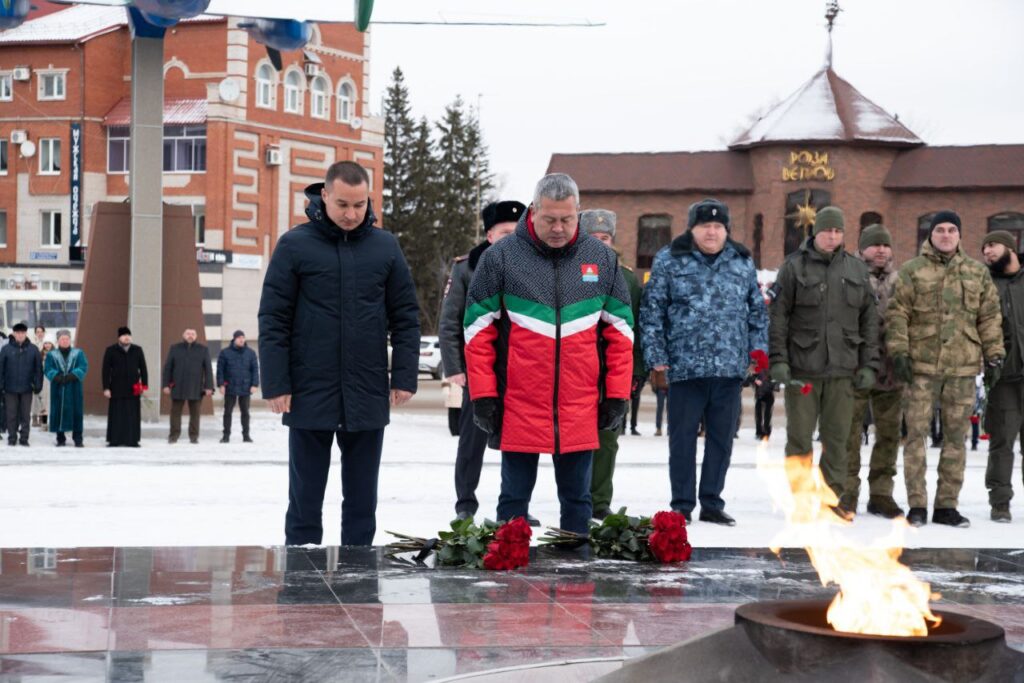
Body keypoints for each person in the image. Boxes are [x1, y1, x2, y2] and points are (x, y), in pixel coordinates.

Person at [259, 160, 420, 546]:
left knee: (362, 502)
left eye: (359, 205)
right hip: (309, 390)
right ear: (324, 196)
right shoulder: (294, 245)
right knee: (304, 500)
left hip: (366, 390)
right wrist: (276, 383)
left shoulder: (385, 246)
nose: (351, 214)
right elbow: (274, 318)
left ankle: (359, 572)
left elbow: (405, 317)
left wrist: (403, 376)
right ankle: (301, 572)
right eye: (343, 204)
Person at [463, 173, 633, 535]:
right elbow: (477, 330)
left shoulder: (601, 259)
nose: (558, 228)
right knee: (513, 500)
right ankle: (509, 566)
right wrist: (483, 394)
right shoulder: (501, 257)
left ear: (578, 212)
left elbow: (620, 332)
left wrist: (617, 394)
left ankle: (576, 566)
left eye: (567, 219)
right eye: (550, 219)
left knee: (578, 501)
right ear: (534, 210)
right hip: (518, 402)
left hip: (578, 403)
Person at [641, 198, 768, 526]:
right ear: (692, 229)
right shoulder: (670, 259)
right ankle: (682, 504)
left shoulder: (741, 261)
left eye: (718, 226)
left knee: (722, 441)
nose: (712, 232)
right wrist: (656, 355)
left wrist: (758, 353)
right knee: (682, 440)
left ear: (726, 230)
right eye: (705, 226)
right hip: (685, 368)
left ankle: (711, 502)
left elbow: (757, 311)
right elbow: (652, 311)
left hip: (729, 368)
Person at [888, 210, 1004, 528]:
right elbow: (898, 313)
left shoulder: (976, 273)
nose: (946, 235)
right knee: (915, 437)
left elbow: (989, 317)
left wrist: (994, 355)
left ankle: (946, 506)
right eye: (940, 229)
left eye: (952, 229)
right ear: (931, 235)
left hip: (962, 368)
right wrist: (899, 352)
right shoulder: (912, 270)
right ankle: (917, 505)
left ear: (960, 235)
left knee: (955, 439)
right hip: (920, 367)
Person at [768, 206, 879, 519]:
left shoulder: (856, 270)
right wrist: (778, 360)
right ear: (815, 232)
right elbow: (778, 317)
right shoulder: (793, 267)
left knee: (838, 440)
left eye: (838, 231)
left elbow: (869, 320)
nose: (832, 236)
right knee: (799, 439)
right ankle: (802, 501)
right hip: (802, 370)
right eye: (827, 230)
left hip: (843, 369)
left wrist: (869, 363)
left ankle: (831, 500)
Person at [439, 200, 524, 521]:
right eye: (504, 233)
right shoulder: (466, 268)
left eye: (516, 232)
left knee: (519, 442)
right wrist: (454, 368)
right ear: (489, 235)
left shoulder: (531, 268)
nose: (511, 239)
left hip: (518, 368)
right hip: (478, 369)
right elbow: (450, 321)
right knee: (472, 440)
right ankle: (465, 502)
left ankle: (515, 506)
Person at [579, 208, 644, 520]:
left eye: (605, 238)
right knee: (574, 440)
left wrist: (636, 373)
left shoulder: (627, 278)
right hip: (578, 369)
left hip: (613, 372)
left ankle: (599, 500)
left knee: (607, 439)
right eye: (593, 237)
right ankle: (576, 497)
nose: (599, 243)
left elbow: (636, 329)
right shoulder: (568, 273)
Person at [839, 224, 906, 519]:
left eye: (885, 245)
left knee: (889, 434)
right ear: (862, 248)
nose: (880, 250)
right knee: (849, 435)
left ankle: (881, 494)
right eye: (874, 244)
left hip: (891, 370)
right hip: (855, 368)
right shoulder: (847, 277)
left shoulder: (902, 281)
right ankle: (846, 494)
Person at [980, 230, 1024, 522]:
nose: (987, 252)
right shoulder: (985, 285)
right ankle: (1000, 502)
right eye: (984, 249)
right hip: (1003, 376)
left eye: (992, 246)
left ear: (1010, 247)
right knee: (1002, 442)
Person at [162, 328, 214, 444]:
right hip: (178, 386)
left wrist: (209, 387)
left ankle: (194, 437)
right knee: (175, 413)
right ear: (183, 335)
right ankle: (173, 436)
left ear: (196, 336)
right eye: (188, 333)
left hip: (196, 387)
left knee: (195, 413)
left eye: (193, 334)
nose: (190, 335)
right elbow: (168, 368)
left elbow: (208, 370)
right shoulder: (175, 348)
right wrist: (166, 385)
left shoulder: (203, 349)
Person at [101, 326, 148, 448]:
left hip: (134, 388)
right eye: (124, 335)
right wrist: (106, 388)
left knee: (132, 415)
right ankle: (114, 440)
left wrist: (144, 386)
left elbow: (143, 368)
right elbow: (105, 370)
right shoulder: (111, 350)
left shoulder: (137, 350)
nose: (127, 338)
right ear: (119, 337)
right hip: (116, 388)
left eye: (128, 335)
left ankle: (132, 440)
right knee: (116, 415)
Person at [0, 322, 42, 446]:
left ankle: (24, 438)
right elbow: (1, 369)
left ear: (26, 333)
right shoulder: (6, 349)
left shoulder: (33, 349)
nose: (20, 335)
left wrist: (37, 384)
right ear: (14, 334)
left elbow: (38, 369)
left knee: (25, 415)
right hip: (10, 388)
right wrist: (1, 385)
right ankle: (12, 438)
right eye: (17, 333)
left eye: (22, 333)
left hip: (27, 388)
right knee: (11, 415)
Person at [45, 329, 88, 447]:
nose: (65, 341)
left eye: (67, 339)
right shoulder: (51, 354)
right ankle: (60, 438)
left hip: (74, 388)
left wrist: (72, 375)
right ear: (58, 341)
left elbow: (83, 366)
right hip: (58, 388)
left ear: (70, 340)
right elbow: (47, 368)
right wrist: (56, 377)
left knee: (76, 413)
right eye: (62, 339)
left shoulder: (78, 353)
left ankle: (78, 439)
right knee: (58, 412)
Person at [217, 329, 260, 443]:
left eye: (243, 337)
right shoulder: (225, 352)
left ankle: (246, 435)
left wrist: (255, 384)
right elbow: (220, 370)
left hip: (245, 386)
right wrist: (221, 384)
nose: (241, 340)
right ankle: (226, 436)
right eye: (239, 338)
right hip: (230, 386)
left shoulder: (250, 353)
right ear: (234, 339)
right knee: (227, 412)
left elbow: (255, 370)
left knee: (245, 412)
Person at [35, 340, 54, 428]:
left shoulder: (56, 354)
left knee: (52, 403)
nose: (47, 345)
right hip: (43, 381)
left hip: (53, 381)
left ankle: (53, 423)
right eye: (45, 343)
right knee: (43, 403)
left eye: (49, 343)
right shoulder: (40, 355)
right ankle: (44, 423)